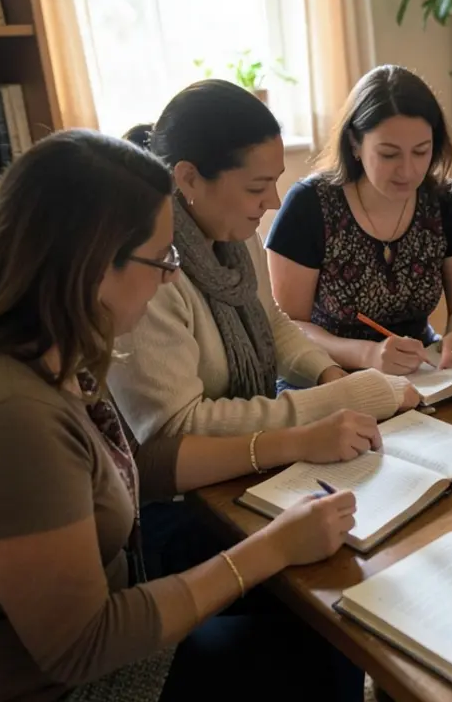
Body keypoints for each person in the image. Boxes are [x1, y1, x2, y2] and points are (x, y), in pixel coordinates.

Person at [0, 131, 374, 702]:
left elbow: (136, 464)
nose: (170, 276)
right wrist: (272, 548)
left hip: (75, 641)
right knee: (318, 641)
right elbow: (84, 645)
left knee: (308, 612)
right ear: (91, 266)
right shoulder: (5, 419)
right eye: (162, 258)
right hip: (46, 685)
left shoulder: (41, 347)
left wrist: (300, 440)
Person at [109, 80, 416, 577]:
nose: (272, 201)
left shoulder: (231, 234)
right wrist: (341, 402)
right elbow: (176, 432)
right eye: (256, 187)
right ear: (188, 178)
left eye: (274, 181)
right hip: (182, 505)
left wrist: (330, 378)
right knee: (339, 577)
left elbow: (272, 323)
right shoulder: (151, 270)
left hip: (254, 464)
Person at [266, 65, 452, 375]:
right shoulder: (309, 205)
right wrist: (366, 354)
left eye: (421, 152)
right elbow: (289, 329)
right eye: (389, 154)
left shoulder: (446, 200)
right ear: (355, 144)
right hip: (329, 374)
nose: (408, 170)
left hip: (423, 372)